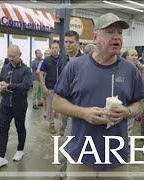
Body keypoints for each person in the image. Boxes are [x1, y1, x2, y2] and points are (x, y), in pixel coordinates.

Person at [52, 13, 144, 180]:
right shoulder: (75, 67)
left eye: (120, 33)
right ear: (95, 37)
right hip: (81, 156)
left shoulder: (130, 70)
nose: (116, 37)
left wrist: (127, 111)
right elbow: (57, 103)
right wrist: (83, 113)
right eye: (110, 32)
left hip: (116, 157)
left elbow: (139, 104)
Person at [0, 45, 32, 169]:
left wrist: (8, 86)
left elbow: (25, 86)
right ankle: (1, 156)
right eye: (9, 56)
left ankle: (20, 149)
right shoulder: (5, 67)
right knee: (3, 129)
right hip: (5, 105)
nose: (11, 58)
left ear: (20, 54)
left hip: (19, 105)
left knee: (20, 128)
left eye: (13, 56)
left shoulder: (26, 70)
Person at [54, 30, 83, 180]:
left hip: (77, 106)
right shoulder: (62, 60)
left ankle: (62, 172)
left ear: (78, 43)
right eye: (66, 42)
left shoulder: (85, 61)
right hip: (64, 104)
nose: (68, 45)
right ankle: (63, 170)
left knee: (69, 139)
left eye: (71, 42)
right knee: (64, 135)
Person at [39, 42, 63, 134]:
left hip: (62, 88)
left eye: (56, 48)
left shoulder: (63, 59)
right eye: (52, 48)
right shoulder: (47, 60)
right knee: (49, 107)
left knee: (62, 107)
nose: (54, 49)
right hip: (50, 88)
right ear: (50, 49)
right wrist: (44, 87)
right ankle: (51, 124)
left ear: (59, 49)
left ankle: (62, 126)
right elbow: (41, 74)